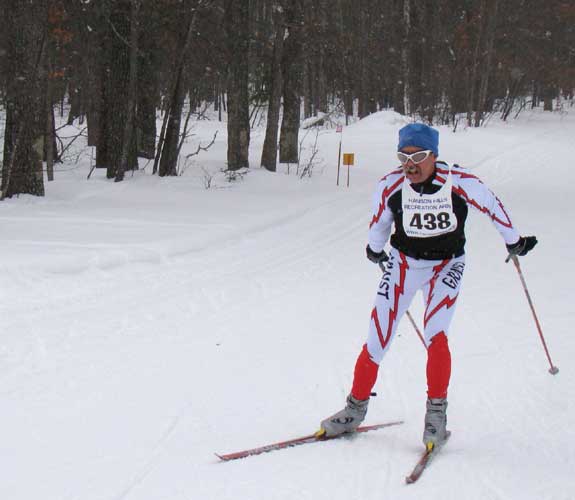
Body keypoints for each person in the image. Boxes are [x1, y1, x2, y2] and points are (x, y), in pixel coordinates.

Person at [318, 123, 537, 450]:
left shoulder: (460, 182)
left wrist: (514, 241)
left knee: (436, 334)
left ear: (434, 155)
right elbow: (379, 221)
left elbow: (493, 206)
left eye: (419, 156)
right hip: (405, 263)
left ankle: (436, 416)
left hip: (447, 265)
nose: (411, 164)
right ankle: (354, 409)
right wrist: (375, 249)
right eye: (403, 156)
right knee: (378, 335)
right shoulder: (391, 185)